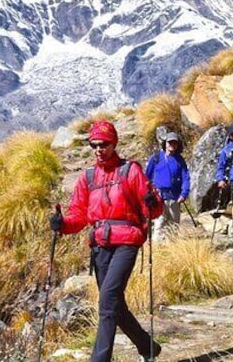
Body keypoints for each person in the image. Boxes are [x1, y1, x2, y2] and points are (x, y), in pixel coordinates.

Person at [50, 119, 163, 362]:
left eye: (104, 144)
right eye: (94, 145)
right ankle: (148, 347)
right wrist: (62, 225)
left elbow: (151, 209)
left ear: (114, 143)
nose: (99, 149)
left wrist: (154, 202)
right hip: (100, 245)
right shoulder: (88, 177)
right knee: (115, 305)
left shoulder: (130, 171)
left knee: (108, 299)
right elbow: (78, 216)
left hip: (127, 242)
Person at [145, 130, 191, 236]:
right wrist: (148, 193)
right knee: (159, 225)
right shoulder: (156, 158)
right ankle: (159, 250)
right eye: (170, 142)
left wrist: (184, 194)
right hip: (158, 197)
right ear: (165, 143)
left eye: (175, 143)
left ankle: (172, 249)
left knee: (174, 226)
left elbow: (186, 178)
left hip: (174, 197)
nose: (172, 145)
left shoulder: (180, 160)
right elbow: (147, 176)